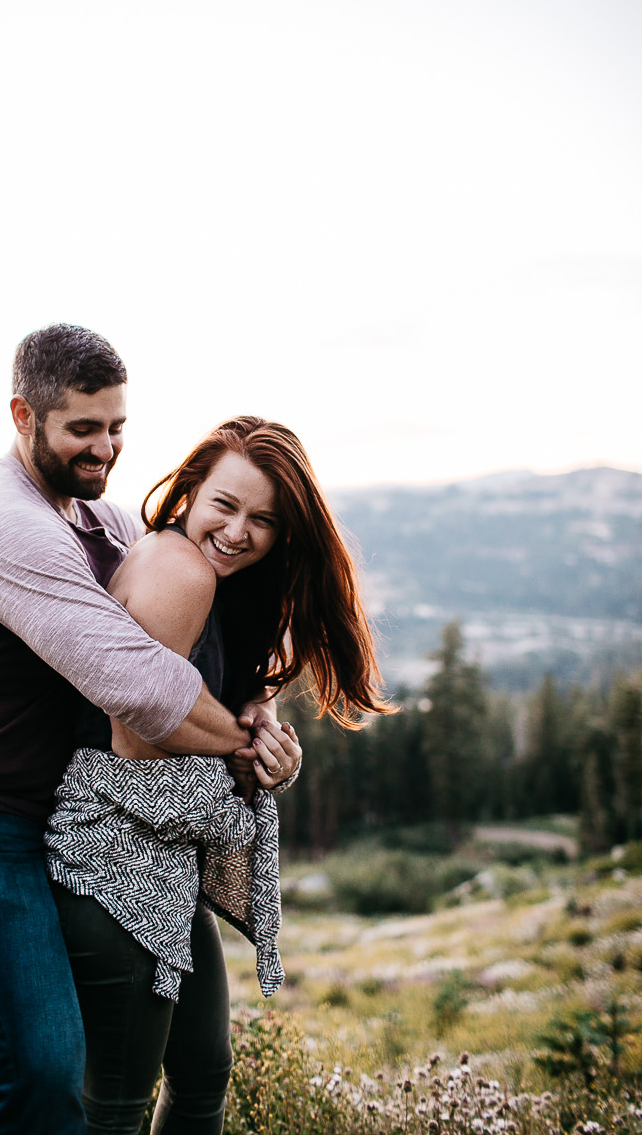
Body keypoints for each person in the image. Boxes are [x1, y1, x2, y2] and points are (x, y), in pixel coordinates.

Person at [0, 325, 300, 1135]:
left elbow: (189, 658)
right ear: (22, 415)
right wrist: (250, 751)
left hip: (44, 821)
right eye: (82, 429)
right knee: (43, 1069)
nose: (105, 448)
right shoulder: (4, 525)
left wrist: (259, 708)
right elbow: (139, 686)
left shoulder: (100, 522)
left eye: (117, 427)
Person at [45, 415, 394, 1135]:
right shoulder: (179, 568)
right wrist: (242, 748)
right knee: (117, 1099)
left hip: (163, 859)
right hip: (109, 858)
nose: (239, 532)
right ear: (189, 491)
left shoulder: (222, 584)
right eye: (225, 506)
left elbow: (216, 696)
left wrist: (265, 732)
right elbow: (138, 739)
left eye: (263, 520)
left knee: (203, 1075)